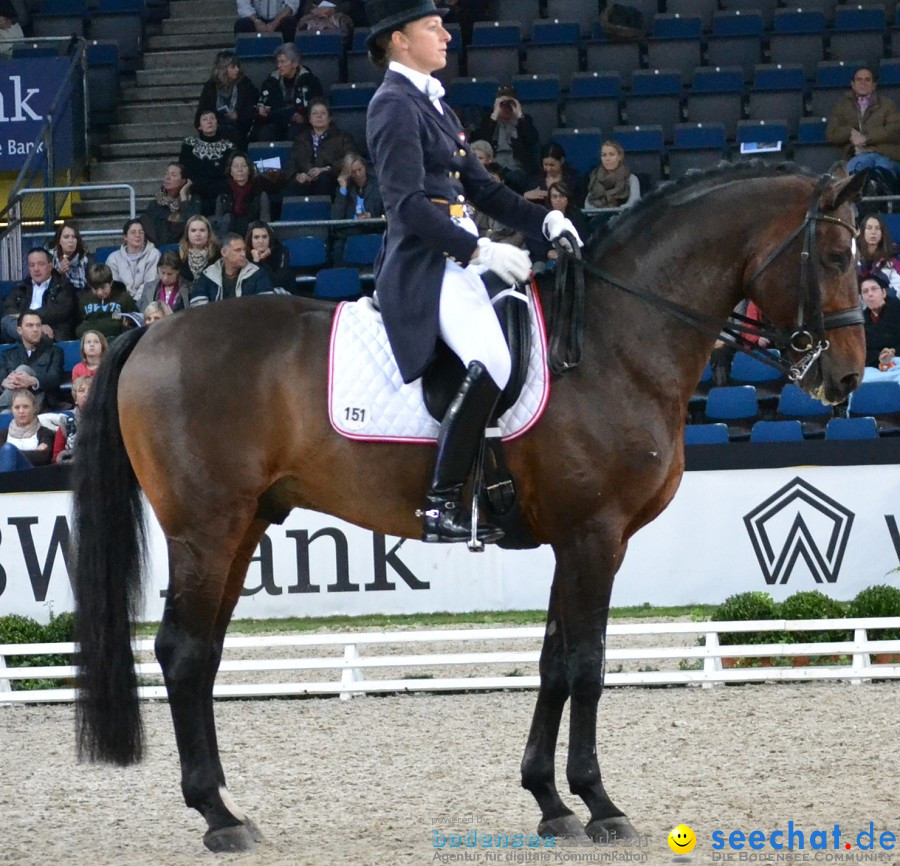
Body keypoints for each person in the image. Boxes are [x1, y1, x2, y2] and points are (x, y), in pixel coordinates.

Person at [364, 0, 582, 545]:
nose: (445, 37)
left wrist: (546, 219)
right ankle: (439, 504)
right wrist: (479, 251)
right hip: (423, 266)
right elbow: (407, 206)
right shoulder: (393, 105)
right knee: (493, 359)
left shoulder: (435, 107)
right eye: (432, 27)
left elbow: (483, 190)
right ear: (398, 39)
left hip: (453, 260)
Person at [826, 66, 900, 183]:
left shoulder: (887, 105)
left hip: (884, 154)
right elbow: (832, 134)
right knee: (851, 173)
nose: (863, 83)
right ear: (853, 84)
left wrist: (866, 138)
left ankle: (885, 199)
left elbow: (894, 130)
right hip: (857, 156)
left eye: (867, 80)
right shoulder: (842, 106)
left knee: (884, 171)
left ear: (874, 85)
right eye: (859, 80)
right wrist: (851, 132)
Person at [472, 85, 540, 193]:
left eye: (510, 104)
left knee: (516, 178)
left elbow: (532, 140)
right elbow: (481, 142)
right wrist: (494, 115)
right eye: (502, 104)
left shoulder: (524, 121)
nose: (506, 107)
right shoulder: (488, 121)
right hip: (494, 166)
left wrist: (519, 114)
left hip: (517, 168)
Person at [283, 99, 357, 198]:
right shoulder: (301, 139)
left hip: (331, 180)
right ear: (309, 119)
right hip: (306, 182)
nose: (319, 116)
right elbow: (291, 163)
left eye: (323, 113)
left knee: (323, 178)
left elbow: (351, 158)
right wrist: (297, 176)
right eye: (314, 113)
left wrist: (326, 169)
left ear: (329, 118)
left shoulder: (343, 137)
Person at [1, 247, 77, 343]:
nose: (36, 269)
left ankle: (32, 336)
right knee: (7, 322)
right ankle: (33, 335)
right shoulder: (20, 287)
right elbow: (7, 309)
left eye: (41, 264)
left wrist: (32, 322)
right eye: (32, 265)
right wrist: (34, 326)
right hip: (22, 335)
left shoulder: (63, 286)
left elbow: (57, 313)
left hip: (50, 335)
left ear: (50, 266)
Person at [252, 43, 324, 142]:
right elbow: (262, 103)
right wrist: (262, 110)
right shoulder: (271, 81)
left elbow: (318, 104)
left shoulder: (310, 81)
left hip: (301, 124)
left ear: (295, 63)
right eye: (278, 62)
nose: (279, 65)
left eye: (283, 62)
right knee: (266, 132)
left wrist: (304, 117)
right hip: (276, 123)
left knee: (296, 132)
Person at [195, 51, 259, 150]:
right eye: (233, 67)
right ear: (223, 69)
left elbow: (252, 109)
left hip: (239, 127)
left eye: (237, 66)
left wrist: (238, 116)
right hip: (217, 127)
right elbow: (201, 113)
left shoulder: (245, 85)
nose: (237, 70)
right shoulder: (210, 87)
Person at [0, 312, 64, 411]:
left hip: (41, 402)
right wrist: (3, 384)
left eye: (38, 325)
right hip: (15, 405)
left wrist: (32, 381)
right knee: (6, 413)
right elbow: (2, 378)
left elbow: (54, 378)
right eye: (30, 325)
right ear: (19, 330)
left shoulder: (54, 352)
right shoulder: (8, 354)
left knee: (23, 369)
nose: (35, 329)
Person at [189, 232, 274, 305]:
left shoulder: (257, 274)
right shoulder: (209, 275)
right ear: (224, 252)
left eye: (244, 250)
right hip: (215, 322)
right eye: (238, 250)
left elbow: (266, 304)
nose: (243, 254)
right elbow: (198, 306)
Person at [179, 112, 235, 216]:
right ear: (199, 126)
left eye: (212, 118)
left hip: (220, 191)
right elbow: (185, 169)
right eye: (205, 119)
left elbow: (227, 172)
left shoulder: (228, 146)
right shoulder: (189, 144)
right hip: (196, 191)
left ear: (217, 123)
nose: (209, 121)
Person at [529, 181, 588, 272]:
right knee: (538, 271)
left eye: (562, 196)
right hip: (545, 259)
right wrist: (547, 252)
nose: (558, 199)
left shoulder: (576, 216)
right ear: (550, 199)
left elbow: (582, 237)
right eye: (555, 196)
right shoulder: (542, 217)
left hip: (572, 257)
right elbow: (533, 241)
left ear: (567, 199)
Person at [140, 163, 202, 248]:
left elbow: (192, 223)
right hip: (160, 249)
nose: (167, 178)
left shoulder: (193, 201)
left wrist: (183, 196)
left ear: (183, 181)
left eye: (173, 175)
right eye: (166, 174)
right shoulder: (155, 204)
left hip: (185, 248)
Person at [215, 151, 272, 236]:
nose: (240, 170)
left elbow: (265, 224)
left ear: (249, 170)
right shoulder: (223, 195)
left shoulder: (260, 194)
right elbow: (218, 224)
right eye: (235, 166)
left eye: (244, 166)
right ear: (230, 171)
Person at [76, 263, 138, 340]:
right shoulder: (84, 299)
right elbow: (78, 327)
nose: (99, 292)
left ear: (111, 283)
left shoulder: (124, 298)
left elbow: (135, 324)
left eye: (103, 287)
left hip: (118, 341)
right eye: (95, 288)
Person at [107, 219, 162, 302]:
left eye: (141, 232)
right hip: (121, 301)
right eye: (133, 232)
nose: (137, 235)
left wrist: (135, 301)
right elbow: (115, 287)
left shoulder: (154, 254)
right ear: (125, 237)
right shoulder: (113, 258)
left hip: (146, 301)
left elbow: (150, 284)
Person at [0, 389, 54, 471]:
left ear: (34, 409)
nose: (21, 411)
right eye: (17, 407)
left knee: (7, 449)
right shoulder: (2, 434)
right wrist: (34, 452)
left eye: (26, 407)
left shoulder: (45, 433)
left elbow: (43, 458)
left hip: (33, 477)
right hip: (7, 477)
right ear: (12, 410)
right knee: (8, 449)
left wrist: (9, 454)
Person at [584, 140, 641, 210]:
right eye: (604, 155)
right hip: (597, 219)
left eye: (611, 154)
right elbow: (588, 206)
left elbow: (634, 204)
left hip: (624, 219)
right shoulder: (595, 178)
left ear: (620, 156)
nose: (607, 159)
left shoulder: (631, 179)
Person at [523, 142, 583, 209]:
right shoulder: (536, 181)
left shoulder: (573, 181)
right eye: (545, 165)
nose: (548, 169)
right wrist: (526, 196)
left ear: (561, 161)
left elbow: (577, 204)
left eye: (552, 165)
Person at [861, 273, 900, 369]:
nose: (870, 294)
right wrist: (879, 357)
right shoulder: (861, 322)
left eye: (874, 289)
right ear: (862, 298)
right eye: (865, 292)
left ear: (883, 293)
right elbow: (861, 350)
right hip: (875, 367)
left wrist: (893, 352)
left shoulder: (897, 310)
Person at [857, 214, 900, 297]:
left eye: (877, 228)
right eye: (869, 228)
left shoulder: (892, 259)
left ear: (882, 233)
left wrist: (879, 297)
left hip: (885, 305)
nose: (873, 232)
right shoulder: (853, 259)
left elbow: (898, 288)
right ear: (862, 232)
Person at [52, 375, 92, 464]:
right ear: (75, 398)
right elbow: (56, 458)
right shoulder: (65, 424)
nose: (86, 394)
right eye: (81, 391)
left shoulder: (106, 422)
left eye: (90, 391)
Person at [332, 153, 384, 220]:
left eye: (360, 169)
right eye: (353, 172)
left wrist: (372, 216)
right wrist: (343, 189)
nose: (358, 174)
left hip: (372, 228)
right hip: (351, 229)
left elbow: (386, 213)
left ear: (365, 168)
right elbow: (336, 218)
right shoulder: (346, 189)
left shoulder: (377, 186)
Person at [245, 221, 293, 290]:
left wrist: (261, 262)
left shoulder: (282, 251)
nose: (261, 241)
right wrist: (256, 262)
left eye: (264, 237)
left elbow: (279, 282)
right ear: (250, 240)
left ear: (270, 238)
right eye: (256, 237)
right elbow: (248, 285)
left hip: (282, 294)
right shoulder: (244, 253)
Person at [178, 215, 221, 284]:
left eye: (202, 230)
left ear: (208, 233)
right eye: (193, 230)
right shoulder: (178, 255)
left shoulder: (218, 254)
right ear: (187, 233)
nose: (198, 234)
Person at [48, 222, 91, 291]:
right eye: (66, 237)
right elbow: (45, 286)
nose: (70, 241)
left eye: (74, 237)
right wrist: (59, 273)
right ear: (59, 240)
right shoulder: (49, 257)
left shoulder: (85, 259)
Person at [234, 0, 299, 41]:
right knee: (242, 24)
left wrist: (274, 23)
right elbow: (243, 6)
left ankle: (287, 57)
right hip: (256, 18)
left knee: (290, 23)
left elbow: (291, 6)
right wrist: (257, 21)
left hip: (280, 19)